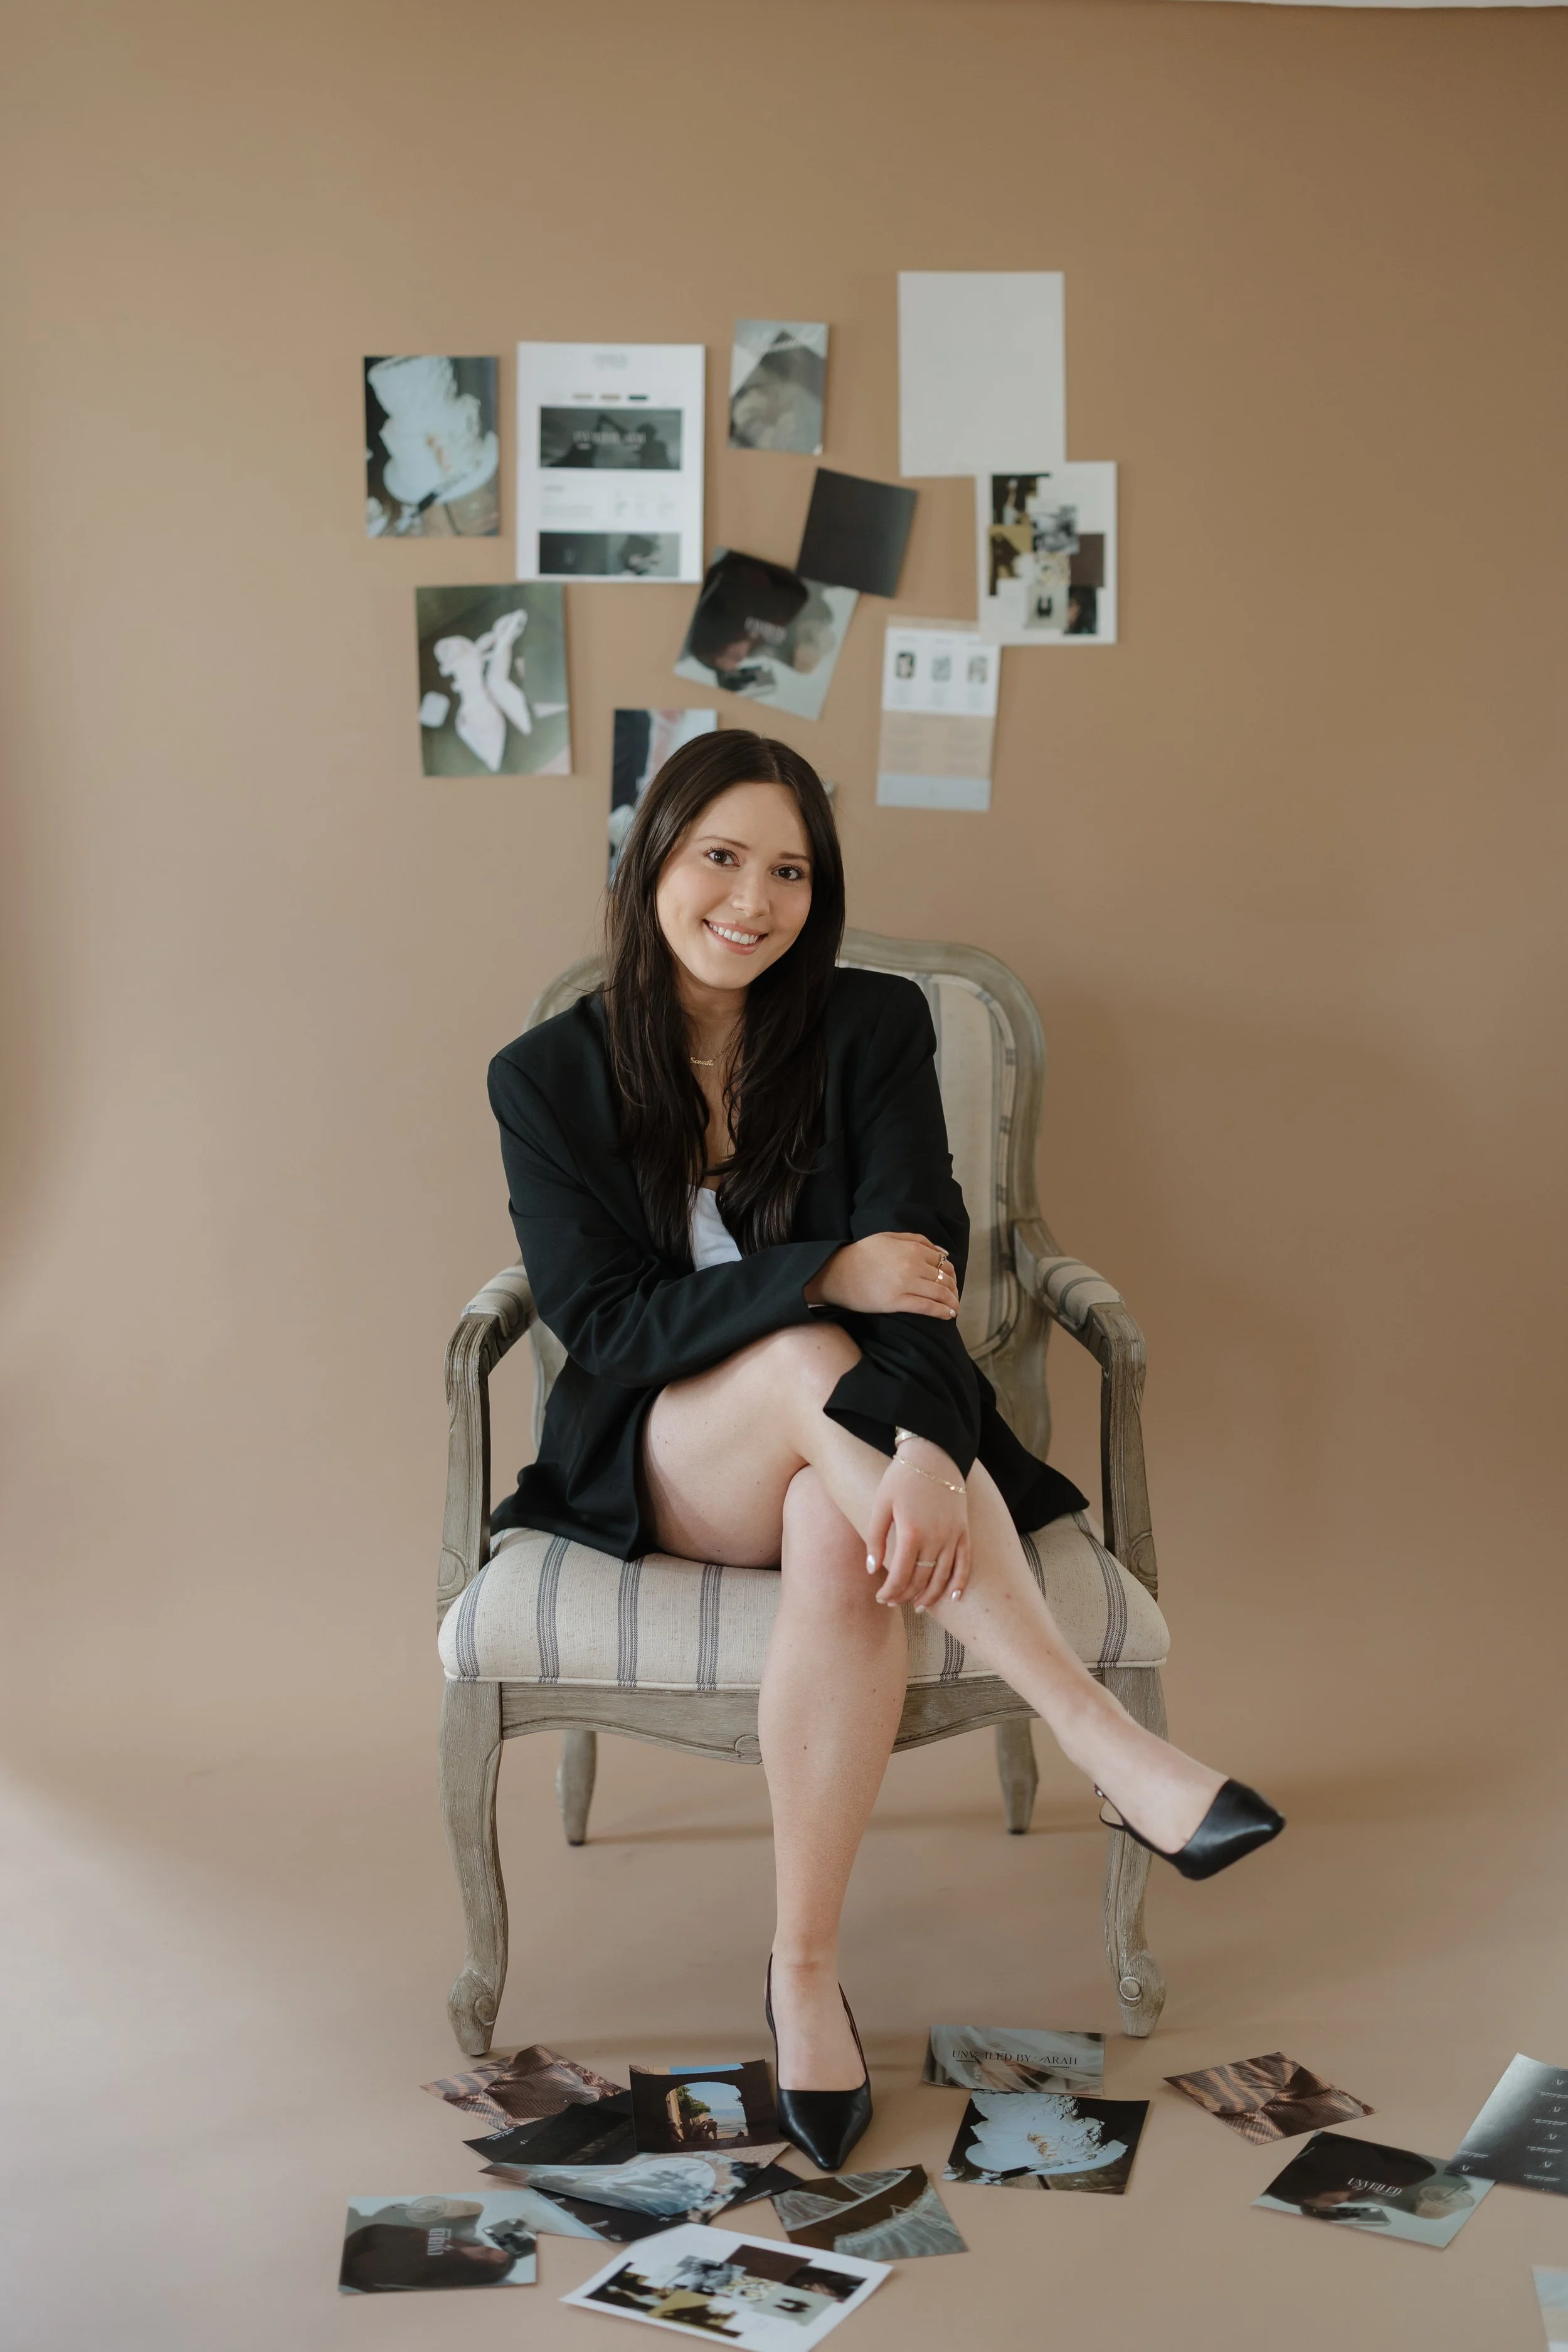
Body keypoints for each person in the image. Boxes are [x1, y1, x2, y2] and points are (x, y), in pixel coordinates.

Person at [486, 731, 1282, 2172]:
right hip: (664, 1459)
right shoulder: (544, 1076)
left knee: (831, 1536)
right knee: (799, 1360)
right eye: (718, 858)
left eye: (788, 870)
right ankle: (1102, 1736)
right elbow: (604, 1322)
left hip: (829, 1461)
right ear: (650, 864)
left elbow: (923, 1268)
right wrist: (816, 1279)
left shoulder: (871, 1028)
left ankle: (801, 1973)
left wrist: (923, 1450)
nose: (752, 899)